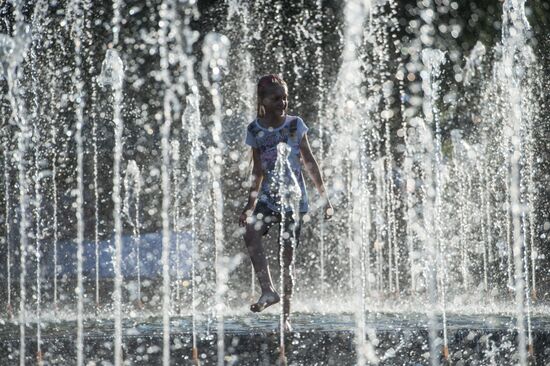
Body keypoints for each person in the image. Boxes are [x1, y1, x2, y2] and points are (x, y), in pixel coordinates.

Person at [238, 74, 333, 330]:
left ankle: (286, 318)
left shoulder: (294, 125)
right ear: (263, 100)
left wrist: (325, 198)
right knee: (250, 232)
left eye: (285, 98)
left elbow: (309, 162)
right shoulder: (254, 129)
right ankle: (268, 291)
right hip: (269, 198)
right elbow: (257, 172)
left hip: (293, 200)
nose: (283, 103)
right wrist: (249, 205)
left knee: (287, 259)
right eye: (276, 98)